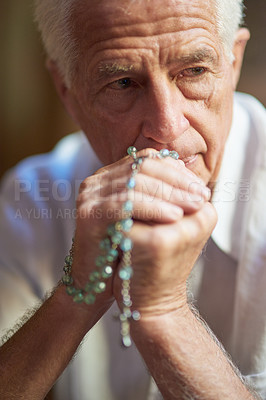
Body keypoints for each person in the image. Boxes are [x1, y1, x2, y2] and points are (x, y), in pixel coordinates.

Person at [0, 0, 265, 399]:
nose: (167, 127)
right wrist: (76, 294)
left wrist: (162, 312)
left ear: (233, 62)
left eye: (193, 71)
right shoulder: (35, 196)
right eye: (122, 83)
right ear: (67, 92)